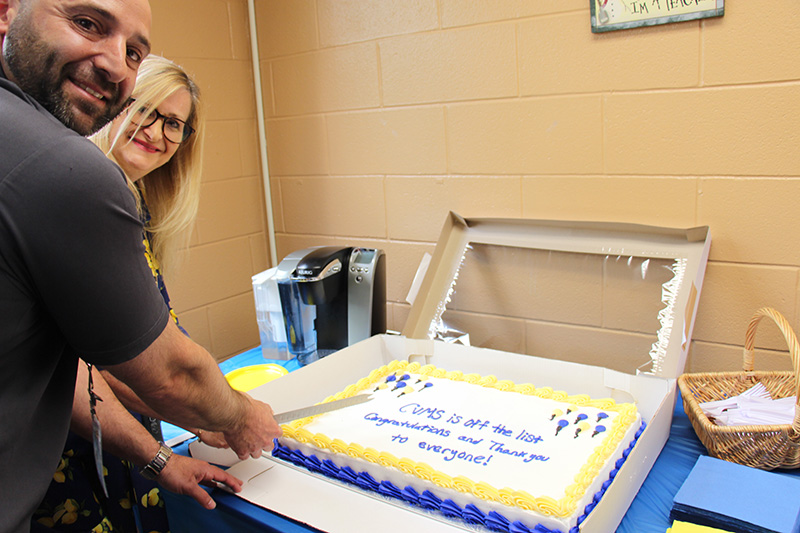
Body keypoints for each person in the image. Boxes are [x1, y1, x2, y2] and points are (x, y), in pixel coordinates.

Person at [0, 1, 282, 532]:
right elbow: (158, 371)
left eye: (133, 51)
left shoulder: (134, 207)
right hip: (66, 471)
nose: (111, 63)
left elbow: (77, 361)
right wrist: (234, 414)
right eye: (86, 23)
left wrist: (166, 448)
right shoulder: (69, 175)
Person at [33, 54, 229, 533]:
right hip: (66, 460)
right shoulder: (77, 202)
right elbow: (99, 368)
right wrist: (202, 409)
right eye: (144, 108)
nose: (158, 132)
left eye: (175, 123)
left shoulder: (134, 206)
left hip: (128, 451)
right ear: (110, 104)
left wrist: (194, 412)